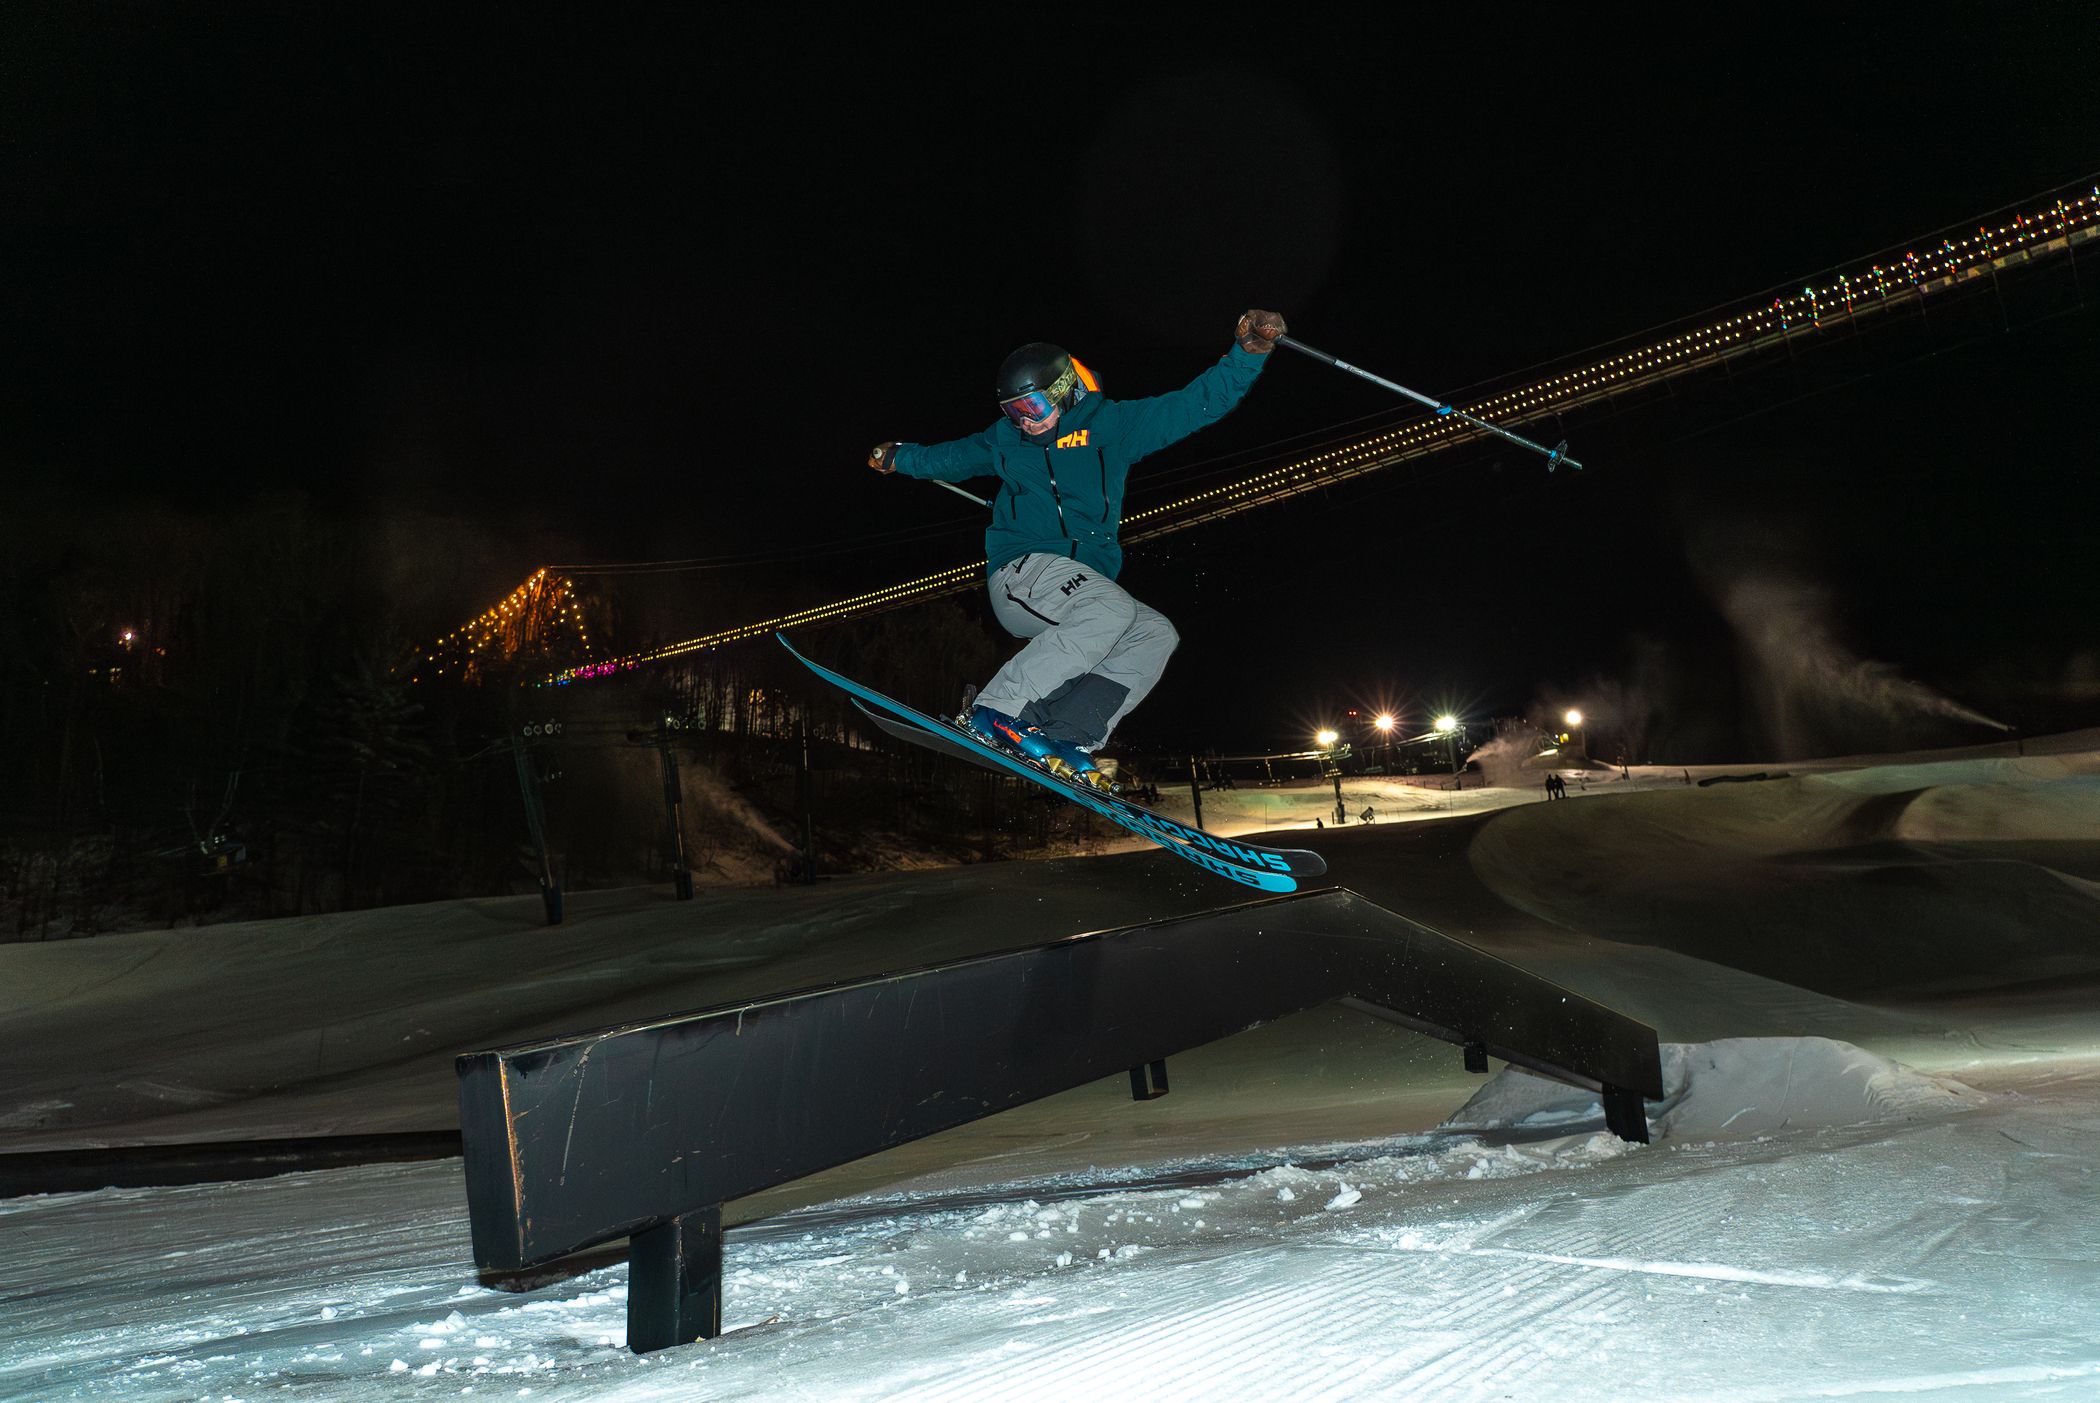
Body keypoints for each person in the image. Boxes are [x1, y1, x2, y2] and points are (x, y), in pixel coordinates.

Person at [869, 309, 1286, 788]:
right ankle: (995, 711)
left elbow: (1197, 405)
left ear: (1065, 391)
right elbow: (946, 457)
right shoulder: (1002, 441)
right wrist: (897, 456)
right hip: (1022, 571)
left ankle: (1071, 733)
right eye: (1014, 412)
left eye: (1035, 409)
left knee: (1154, 632)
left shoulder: (1112, 426)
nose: (1025, 422)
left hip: (1081, 587)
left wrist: (1249, 352)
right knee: (1109, 609)